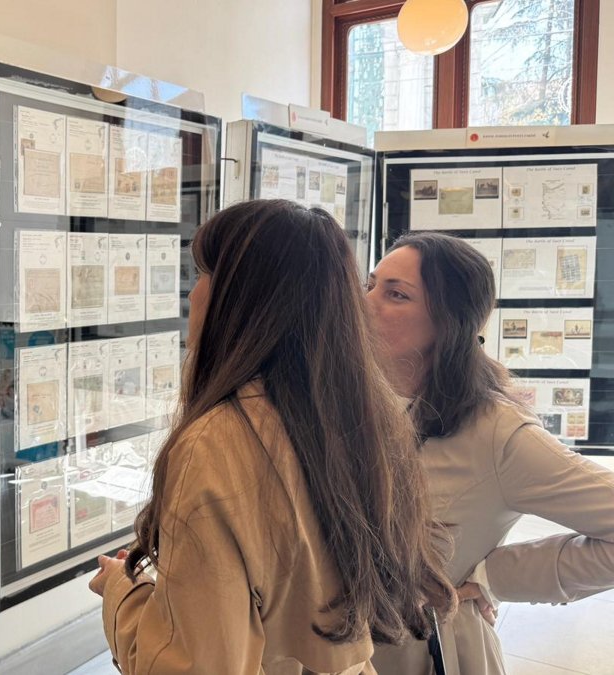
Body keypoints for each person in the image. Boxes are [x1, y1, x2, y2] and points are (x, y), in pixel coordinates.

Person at [90, 200, 456, 674]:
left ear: (240, 299)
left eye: (205, 274)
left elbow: (196, 667)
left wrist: (123, 592)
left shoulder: (216, 442)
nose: (193, 295)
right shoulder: (365, 420)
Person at [366, 232, 614, 673]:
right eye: (370, 285)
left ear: (448, 322)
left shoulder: (497, 431)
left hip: (422, 655)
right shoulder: (349, 402)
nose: (365, 304)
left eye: (396, 295)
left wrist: (492, 577)